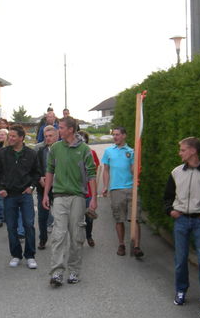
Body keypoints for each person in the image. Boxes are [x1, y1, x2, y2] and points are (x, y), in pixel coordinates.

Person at [164, 137, 200, 316]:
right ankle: (181, 291)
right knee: (180, 259)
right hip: (181, 220)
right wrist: (170, 211)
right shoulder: (176, 172)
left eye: (182, 150)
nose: (179, 153)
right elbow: (167, 197)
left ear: (193, 151)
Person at [43, 116, 97, 286]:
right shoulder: (55, 148)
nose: (59, 130)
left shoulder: (84, 149)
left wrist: (94, 198)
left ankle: (74, 271)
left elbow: (91, 175)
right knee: (58, 235)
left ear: (71, 129)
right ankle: (57, 272)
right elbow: (49, 171)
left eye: (61, 127)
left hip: (78, 197)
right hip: (58, 196)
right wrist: (46, 194)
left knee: (76, 236)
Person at [0, 124, 40, 269]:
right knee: (11, 227)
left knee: (29, 225)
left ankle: (30, 255)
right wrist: (0, 188)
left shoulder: (31, 154)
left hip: (25, 195)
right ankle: (16, 255)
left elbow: (36, 173)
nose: (10, 138)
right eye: (9, 136)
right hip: (9, 195)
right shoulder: (3, 153)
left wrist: (31, 187)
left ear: (21, 138)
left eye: (13, 136)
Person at [101, 127, 143, 258]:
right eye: (114, 135)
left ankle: (136, 246)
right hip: (116, 189)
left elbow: (133, 171)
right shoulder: (108, 151)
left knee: (134, 218)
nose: (115, 137)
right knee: (119, 219)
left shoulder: (131, 151)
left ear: (124, 136)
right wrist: (105, 186)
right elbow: (106, 170)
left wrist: (135, 164)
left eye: (117, 134)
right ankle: (121, 244)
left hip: (131, 189)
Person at [35, 125, 58, 249]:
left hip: (59, 189)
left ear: (56, 136)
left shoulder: (62, 150)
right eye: (46, 136)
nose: (48, 138)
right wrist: (39, 178)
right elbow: (35, 168)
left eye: (50, 136)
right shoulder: (40, 151)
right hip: (43, 188)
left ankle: (60, 240)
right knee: (42, 216)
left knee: (60, 216)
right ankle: (43, 239)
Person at [80, 131, 100, 247]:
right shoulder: (73, 152)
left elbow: (95, 171)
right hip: (77, 191)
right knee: (77, 218)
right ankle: (79, 238)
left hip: (89, 191)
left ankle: (89, 236)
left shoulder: (92, 153)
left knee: (89, 217)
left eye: (84, 140)